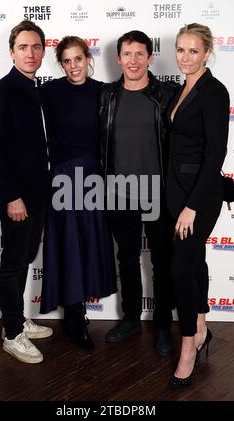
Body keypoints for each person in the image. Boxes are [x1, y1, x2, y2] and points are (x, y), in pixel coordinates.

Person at [100, 30, 179, 355]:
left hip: (159, 192)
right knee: (127, 259)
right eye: (127, 54)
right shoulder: (106, 97)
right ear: (119, 58)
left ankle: (163, 326)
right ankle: (131, 318)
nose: (133, 61)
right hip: (119, 192)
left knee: (162, 262)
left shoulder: (167, 95)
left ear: (149, 57)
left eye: (139, 54)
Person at [39, 36, 117, 350]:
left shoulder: (102, 92)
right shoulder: (48, 92)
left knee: (87, 244)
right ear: (61, 63)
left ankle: (81, 307)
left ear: (88, 58)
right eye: (67, 61)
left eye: (78, 59)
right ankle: (73, 315)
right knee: (68, 245)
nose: (73, 66)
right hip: (61, 176)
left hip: (92, 176)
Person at [0, 20, 53, 364]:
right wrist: (12, 197)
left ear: (43, 51)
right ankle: (12, 333)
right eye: (23, 47)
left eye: (36, 47)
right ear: (11, 52)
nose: (30, 53)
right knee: (12, 265)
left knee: (24, 260)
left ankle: (17, 319)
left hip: (37, 196)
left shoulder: (36, 89)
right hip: (16, 199)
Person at [166, 23, 230, 387]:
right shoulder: (180, 89)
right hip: (175, 189)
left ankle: (188, 346)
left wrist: (192, 205)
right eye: (180, 50)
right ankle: (202, 325)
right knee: (194, 261)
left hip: (199, 195)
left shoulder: (214, 92)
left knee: (179, 270)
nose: (185, 57)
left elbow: (215, 153)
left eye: (193, 51)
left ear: (207, 52)